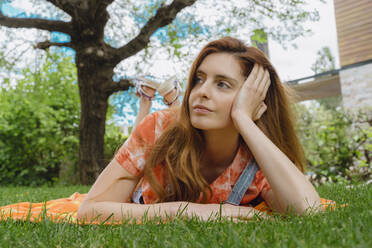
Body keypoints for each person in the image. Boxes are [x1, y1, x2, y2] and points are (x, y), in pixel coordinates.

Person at [77, 37, 321, 223]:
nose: (201, 92)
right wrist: (186, 210)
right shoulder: (159, 128)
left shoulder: (257, 153)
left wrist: (243, 119)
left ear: (254, 98)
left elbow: (308, 211)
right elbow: (89, 211)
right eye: (199, 79)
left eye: (222, 84)